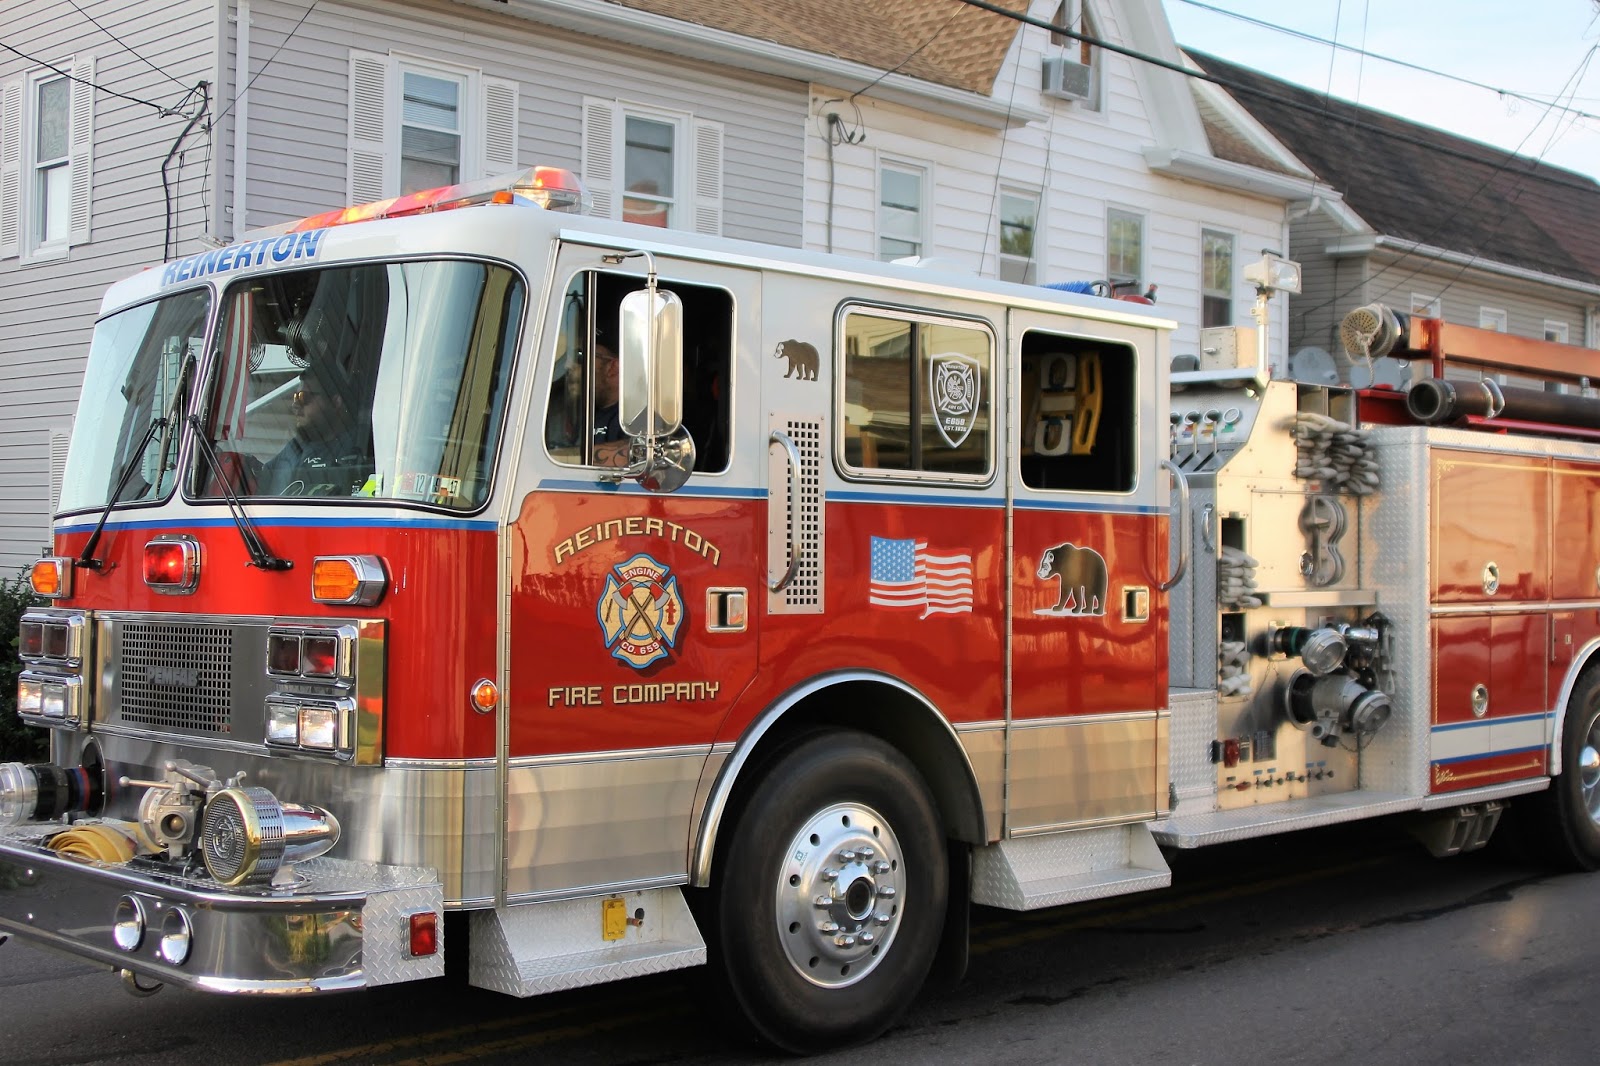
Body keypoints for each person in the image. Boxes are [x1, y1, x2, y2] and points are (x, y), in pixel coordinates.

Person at [258, 374, 370, 494]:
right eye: (295, 397)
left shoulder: (361, 447)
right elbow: (262, 479)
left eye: (303, 398)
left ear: (335, 402)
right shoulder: (295, 448)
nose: (295, 405)